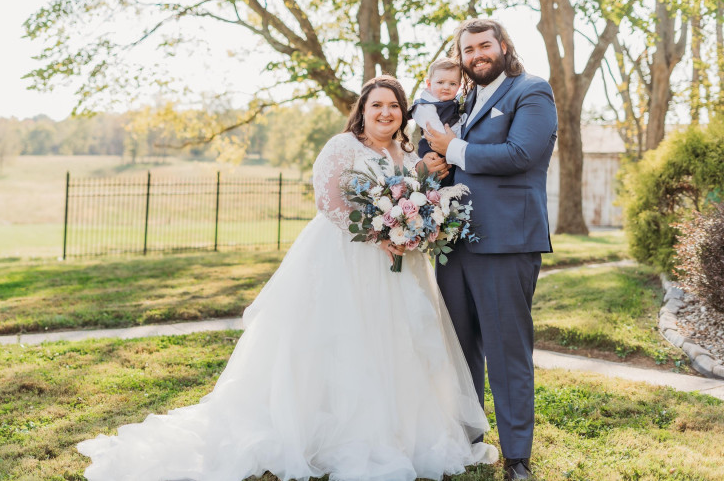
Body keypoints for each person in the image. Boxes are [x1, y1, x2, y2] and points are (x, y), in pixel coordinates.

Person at [77, 75, 498, 481]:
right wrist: (379, 235)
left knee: (398, 341)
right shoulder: (342, 146)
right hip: (347, 256)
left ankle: (402, 432)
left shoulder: (406, 153)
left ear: (404, 112)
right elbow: (327, 199)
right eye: (377, 105)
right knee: (340, 339)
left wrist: (411, 228)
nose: (385, 112)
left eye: (393, 106)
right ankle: (333, 430)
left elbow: (416, 197)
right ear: (362, 110)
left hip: (399, 265)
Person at [420, 19, 558, 481]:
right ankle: (468, 441)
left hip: (506, 243)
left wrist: (453, 148)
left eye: (484, 45)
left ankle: (517, 457)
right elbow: (442, 155)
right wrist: (433, 163)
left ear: (503, 46)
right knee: (460, 351)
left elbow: (521, 154)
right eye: (468, 49)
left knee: (506, 351)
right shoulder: (461, 100)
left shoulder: (531, 91)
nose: (477, 54)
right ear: (460, 58)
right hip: (453, 243)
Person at [409, 57, 463, 135]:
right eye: (440, 82)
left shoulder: (456, 102)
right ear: (429, 84)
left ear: (458, 86)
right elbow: (437, 133)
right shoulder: (424, 106)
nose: (446, 87)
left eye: (452, 84)